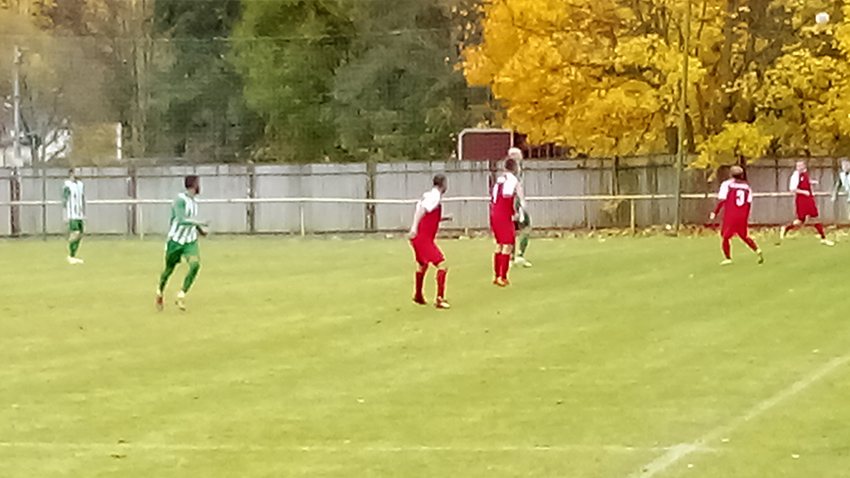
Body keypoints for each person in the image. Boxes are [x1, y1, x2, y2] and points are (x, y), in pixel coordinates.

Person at [156, 175, 209, 311]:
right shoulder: (179, 200)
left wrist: (199, 230)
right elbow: (181, 219)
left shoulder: (194, 201)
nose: (200, 186)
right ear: (193, 184)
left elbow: (190, 219)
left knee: (195, 265)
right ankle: (160, 292)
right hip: (175, 241)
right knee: (169, 270)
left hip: (189, 242)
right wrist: (200, 222)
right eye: (198, 183)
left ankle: (181, 295)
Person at [408, 174, 451, 309]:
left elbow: (428, 215)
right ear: (443, 184)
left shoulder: (428, 195)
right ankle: (440, 298)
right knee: (442, 264)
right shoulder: (435, 196)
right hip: (423, 238)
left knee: (423, 266)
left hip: (419, 238)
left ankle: (418, 295)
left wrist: (443, 218)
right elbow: (422, 210)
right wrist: (414, 227)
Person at [709, 166, 764, 265]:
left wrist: (715, 212)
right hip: (742, 215)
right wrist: (746, 216)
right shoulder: (747, 187)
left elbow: (722, 200)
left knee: (725, 236)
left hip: (731, 215)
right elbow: (748, 203)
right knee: (744, 235)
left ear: (730, 174)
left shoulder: (727, 185)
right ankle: (757, 250)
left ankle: (728, 258)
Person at [780, 160, 834, 245]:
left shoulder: (805, 174)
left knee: (813, 217)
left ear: (804, 166)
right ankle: (786, 228)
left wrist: (812, 182)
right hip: (802, 200)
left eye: (801, 165)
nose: (799, 167)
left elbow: (804, 182)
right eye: (798, 166)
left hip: (809, 199)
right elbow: (792, 189)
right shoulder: (795, 176)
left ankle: (823, 238)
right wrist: (804, 192)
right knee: (801, 220)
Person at [490, 157, 524, 286]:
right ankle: (502, 276)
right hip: (504, 214)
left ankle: (496, 275)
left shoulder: (499, 179)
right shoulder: (512, 180)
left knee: (499, 244)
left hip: (494, 213)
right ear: (515, 167)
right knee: (508, 244)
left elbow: (494, 197)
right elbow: (509, 197)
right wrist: (515, 213)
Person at [508, 147, 532, 268]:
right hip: (515, 203)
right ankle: (519, 256)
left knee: (512, 230)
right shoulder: (515, 171)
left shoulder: (508, 170)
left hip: (511, 203)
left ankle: (511, 258)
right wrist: (520, 204)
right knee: (526, 227)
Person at [63, 168, 86, 264]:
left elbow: (82, 198)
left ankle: (74, 254)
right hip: (72, 214)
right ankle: (70, 255)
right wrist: (65, 214)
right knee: (75, 233)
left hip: (80, 214)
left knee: (80, 234)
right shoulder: (67, 185)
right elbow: (64, 199)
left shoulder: (80, 185)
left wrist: (84, 213)